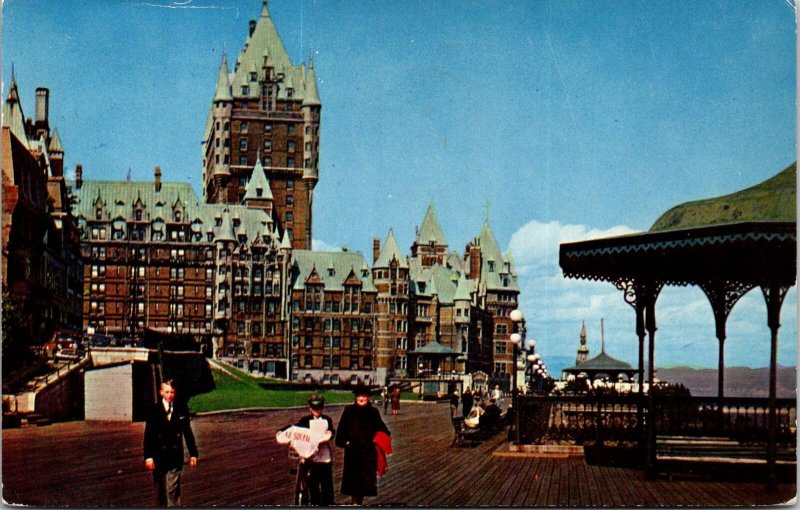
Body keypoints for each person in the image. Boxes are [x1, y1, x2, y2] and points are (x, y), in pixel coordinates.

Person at [143, 379, 199, 507]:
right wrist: (148, 456)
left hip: (174, 456)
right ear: (161, 392)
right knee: (160, 490)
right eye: (167, 392)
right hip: (158, 457)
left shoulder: (181, 409)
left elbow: (187, 432)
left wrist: (193, 453)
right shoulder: (154, 410)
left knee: (172, 490)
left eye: (172, 392)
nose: (169, 395)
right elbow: (149, 435)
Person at [335, 384, 391, 505]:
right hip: (353, 453)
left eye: (364, 396)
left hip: (368, 453)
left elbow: (383, 430)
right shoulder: (348, 410)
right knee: (353, 483)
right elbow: (340, 432)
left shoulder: (373, 412)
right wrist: (345, 443)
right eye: (359, 396)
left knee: (364, 483)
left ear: (369, 397)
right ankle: (355, 503)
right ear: (355, 397)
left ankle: (358, 504)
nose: (361, 398)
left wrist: (379, 440)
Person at [294, 395, 336, 506]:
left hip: (325, 457)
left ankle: (328, 504)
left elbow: (331, 431)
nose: (316, 410)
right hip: (311, 458)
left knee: (327, 486)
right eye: (314, 408)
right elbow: (295, 429)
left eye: (319, 408)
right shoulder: (305, 420)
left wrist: (330, 433)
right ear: (310, 408)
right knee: (313, 486)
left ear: (322, 408)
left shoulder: (327, 420)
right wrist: (282, 431)